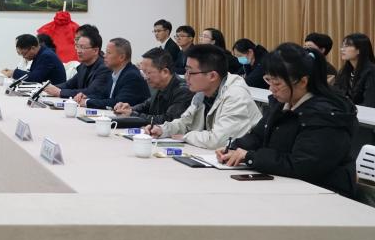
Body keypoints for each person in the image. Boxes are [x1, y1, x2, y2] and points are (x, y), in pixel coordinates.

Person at [217, 43, 358, 198]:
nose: (271, 88)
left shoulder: (326, 115)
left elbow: (303, 166)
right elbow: (258, 136)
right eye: (268, 80)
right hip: (288, 186)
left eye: (277, 83)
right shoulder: (283, 103)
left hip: (325, 194)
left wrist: (250, 157)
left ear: (303, 82)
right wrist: (233, 148)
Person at [146, 44, 261, 148]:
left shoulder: (235, 95)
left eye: (190, 72)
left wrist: (186, 136)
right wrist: (162, 130)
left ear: (212, 76)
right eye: (186, 71)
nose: (186, 76)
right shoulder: (201, 94)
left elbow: (218, 141)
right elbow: (185, 123)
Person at [113, 49, 193, 123]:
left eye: (148, 73)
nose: (145, 77)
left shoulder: (183, 91)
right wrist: (128, 109)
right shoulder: (160, 87)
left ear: (165, 72)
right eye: (143, 72)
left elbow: (167, 120)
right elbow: (145, 106)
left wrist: (132, 114)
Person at [74, 37, 150, 109]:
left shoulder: (132, 76)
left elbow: (117, 103)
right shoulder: (114, 73)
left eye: (108, 53)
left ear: (122, 57)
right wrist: (87, 97)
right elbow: (103, 96)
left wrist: (87, 102)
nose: (104, 55)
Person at [41, 29, 111, 99]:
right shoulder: (83, 66)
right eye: (77, 46)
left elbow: (90, 91)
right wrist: (47, 88)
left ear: (95, 50)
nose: (78, 51)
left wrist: (60, 92)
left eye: (82, 47)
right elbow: (69, 85)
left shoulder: (104, 68)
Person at [0, 33, 66, 85]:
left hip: (54, 92)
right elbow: (34, 74)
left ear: (33, 48)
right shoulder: (41, 52)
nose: (24, 57)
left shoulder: (46, 56)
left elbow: (35, 77)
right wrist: (13, 72)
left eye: (24, 54)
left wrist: (13, 73)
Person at [334, 33, 375, 107]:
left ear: (359, 50)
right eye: (342, 46)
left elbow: (369, 102)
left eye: (347, 46)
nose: (342, 49)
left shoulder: (371, 71)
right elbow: (336, 93)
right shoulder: (344, 71)